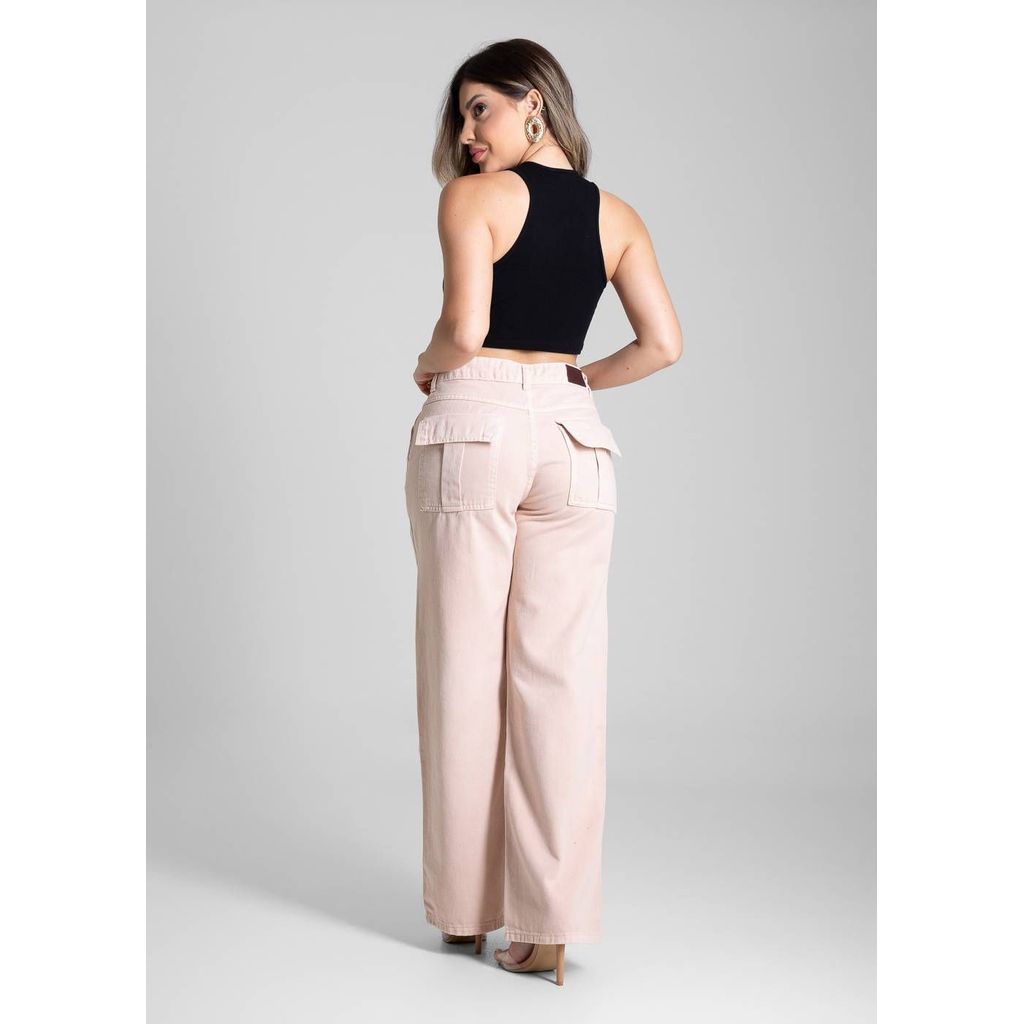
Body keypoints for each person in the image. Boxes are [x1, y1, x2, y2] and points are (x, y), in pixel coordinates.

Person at [405, 39, 683, 987]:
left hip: (476, 424)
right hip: (575, 440)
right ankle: (550, 926)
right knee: (562, 680)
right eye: (460, 117)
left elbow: (466, 329)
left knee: (462, 668)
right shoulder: (618, 216)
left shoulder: (473, 200)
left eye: (478, 109)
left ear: (535, 103)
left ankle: (467, 909)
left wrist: (427, 363)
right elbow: (664, 343)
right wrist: (575, 382)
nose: (465, 134)